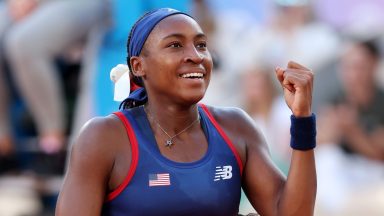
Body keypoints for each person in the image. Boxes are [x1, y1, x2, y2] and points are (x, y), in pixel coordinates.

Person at [56, 8, 317, 215]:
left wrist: (302, 119)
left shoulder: (235, 127)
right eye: (175, 45)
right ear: (138, 66)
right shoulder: (103, 138)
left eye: (201, 45)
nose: (195, 56)